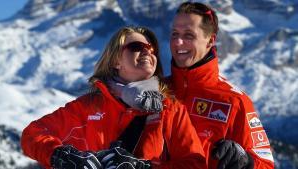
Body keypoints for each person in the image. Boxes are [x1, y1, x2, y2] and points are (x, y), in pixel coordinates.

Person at [20, 26, 206, 169]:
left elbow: (195, 163)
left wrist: (145, 167)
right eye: (136, 47)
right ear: (116, 60)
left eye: (151, 49)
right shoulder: (89, 107)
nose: (148, 52)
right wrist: (60, 156)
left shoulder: (170, 109)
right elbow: (32, 134)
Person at [168, 2, 274, 169]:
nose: (178, 42)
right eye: (175, 34)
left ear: (210, 40)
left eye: (188, 35)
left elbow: (266, 165)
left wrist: (246, 161)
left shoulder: (235, 101)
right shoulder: (157, 90)